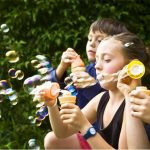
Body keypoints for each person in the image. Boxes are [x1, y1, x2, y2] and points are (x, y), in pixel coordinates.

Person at [40, 32, 150, 149]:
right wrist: (51, 105)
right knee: (53, 139)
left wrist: (85, 127)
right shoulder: (102, 99)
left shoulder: (136, 103)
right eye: (97, 60)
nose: (97, 66)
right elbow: (62, 132)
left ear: (131, 67)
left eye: (107, 60)